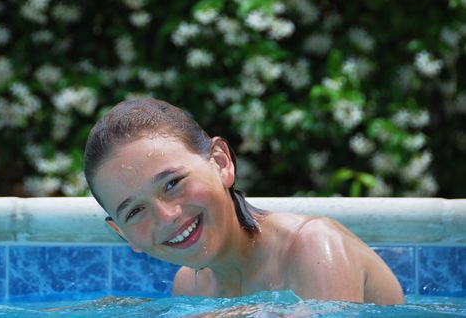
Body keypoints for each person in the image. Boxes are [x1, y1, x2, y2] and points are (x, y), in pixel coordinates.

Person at [83, 98, 405, 305]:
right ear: (123, 234)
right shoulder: (189, 285)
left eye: (172, 183)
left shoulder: (314, 248)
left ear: (221, 163)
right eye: (136, 210)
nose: (167, 217)